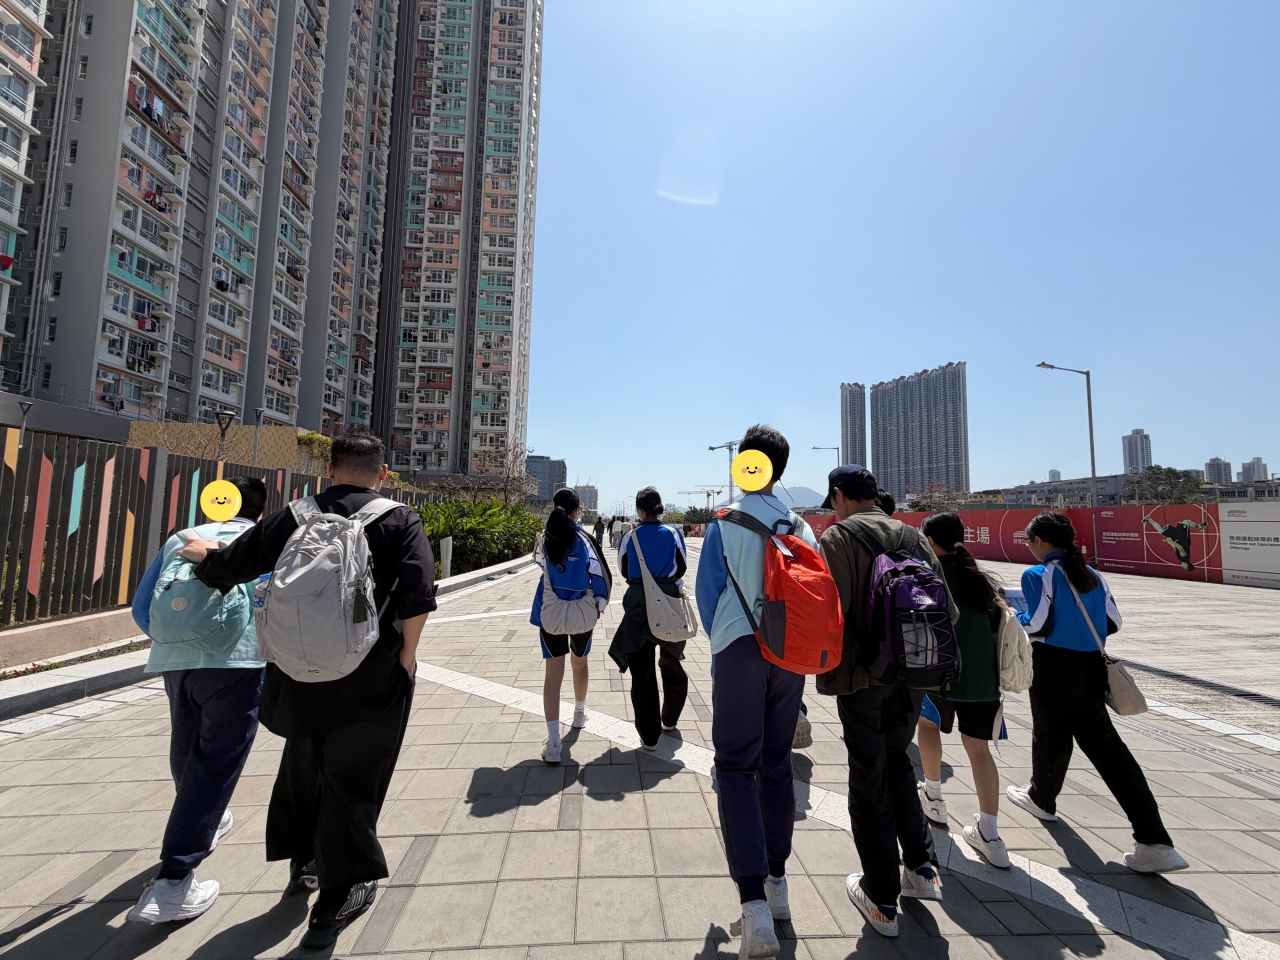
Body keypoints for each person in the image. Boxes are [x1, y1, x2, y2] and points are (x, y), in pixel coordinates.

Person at [181, 429, 437, 949]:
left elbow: (233, 565)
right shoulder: (399, 519)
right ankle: (338, 897)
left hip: (296, 672)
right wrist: (407, 655)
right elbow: (417, 595)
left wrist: (204, 555)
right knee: (354, 777)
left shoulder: (296, 515)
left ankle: (305, 863)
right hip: (369, 676)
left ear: (330, 470)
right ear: (383, 473)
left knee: (303, 765)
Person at [815, 465, 958, 938]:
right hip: (913, 676)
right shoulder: (912, 535)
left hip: (862, 678)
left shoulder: (838, 538)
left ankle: (880, 897)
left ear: (839, 495)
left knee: (868, 774)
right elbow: (950, 611)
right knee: (898, 761)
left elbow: (830, 612)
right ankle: (922, 868)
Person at [1008, 512, 1188, 874]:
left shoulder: (1039, 574)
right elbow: (1113, 622)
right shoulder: (1093, 574)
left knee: (1050, 736)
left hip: (1054, 666)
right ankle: (1154, 840)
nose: (1029, 547)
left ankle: (1042, 798)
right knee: (1110, 751)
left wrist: (1013, 614)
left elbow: (1039, 623)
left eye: (1029, 541)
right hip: (1091, 666)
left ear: (1040, 541)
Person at [695, 425, 816, 960]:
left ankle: (754, 908)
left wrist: (726, 644)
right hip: (790, 654)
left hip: (740, 648)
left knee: (734, 768)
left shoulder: (725, 522)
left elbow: (708, 595)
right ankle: (778, 884)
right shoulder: (801, 525)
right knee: (775, 764)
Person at [126, 476, 268, 924]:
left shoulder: (182, 538)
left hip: (175, 662)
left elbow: (141, 607)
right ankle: (173, 882)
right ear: (260, 510)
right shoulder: (261, 542)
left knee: (186, 749)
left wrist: (176, 642)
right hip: (238, 663)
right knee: (216, 763)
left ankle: (208, 818)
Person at [915, 512, 1010, 869]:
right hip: (982, 680)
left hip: (938, 673)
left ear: (930, 540)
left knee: (927, 727)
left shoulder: (927, 574)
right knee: (980, 751)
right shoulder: (979, 578)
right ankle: (990, 833)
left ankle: (933, 797)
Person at [531, 487, 611, 765]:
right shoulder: (585, 540)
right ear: (578, 511)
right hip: (581, 612)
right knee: (580, 663)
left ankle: (554, 742)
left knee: (553, 675)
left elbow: (540, 564)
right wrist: (600, 601)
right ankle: (579, 712)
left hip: (550, 612)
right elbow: (599, 573)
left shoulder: (544, 539)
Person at [609, 486, 689, 749]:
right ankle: (670, 719)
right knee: (671, 660)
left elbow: (624, 570)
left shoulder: (630, 537)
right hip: (668, 603)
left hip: (638, 605)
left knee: (642, 670)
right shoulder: (673, 533)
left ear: (640, 510)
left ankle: (649, 736)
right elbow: (682, 567)